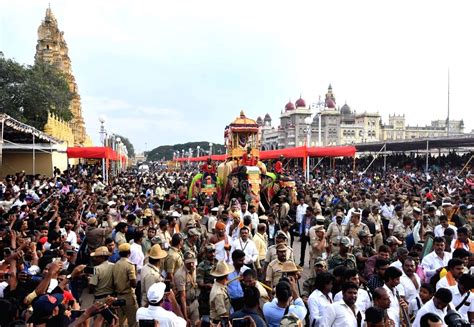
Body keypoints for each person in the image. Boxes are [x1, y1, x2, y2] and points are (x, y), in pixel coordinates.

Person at [112, 243, 139, 327]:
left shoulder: (115, 265)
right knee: (133, 322)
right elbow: (133, 284)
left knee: (120, 323)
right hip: (128, 297)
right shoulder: (130, 265)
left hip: (118, 297)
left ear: (119, 254)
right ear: (129, 253)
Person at [174, 251, 199, 326]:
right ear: (184, 262)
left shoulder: (194, 268)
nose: (191, 264)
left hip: (194, 303)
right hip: (185, 306)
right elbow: (182, 297)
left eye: (192, 262)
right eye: (188, 263)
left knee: (196, 324)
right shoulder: (180, 274)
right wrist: (185, 316)